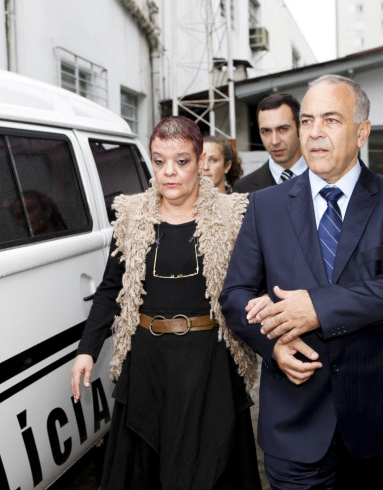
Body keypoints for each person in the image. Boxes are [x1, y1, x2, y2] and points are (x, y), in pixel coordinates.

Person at [219, 74, 383, 489]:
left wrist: (317, 307)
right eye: (306, 121)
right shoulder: (264, 206)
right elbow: (234, 295)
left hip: (375, 413)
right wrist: (274, 344)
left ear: (362, 132)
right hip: (294, 413)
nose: (315, 133)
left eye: (331, 120)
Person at [70, 116, 261, 490]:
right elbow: (112, 289)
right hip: (147, 364)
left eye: (181, 161)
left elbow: (253, 287)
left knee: (210, 466)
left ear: (200, 159)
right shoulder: (131, 216)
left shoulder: (232, 215)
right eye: (159, 161)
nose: (169, 172)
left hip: (209, 364)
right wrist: (87, 349)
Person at [233, 93, 307, 193]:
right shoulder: (244, 190)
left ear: (300, 128)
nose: (274, 141)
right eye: (266, 131)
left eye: (283, 129)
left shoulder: (326, 176)